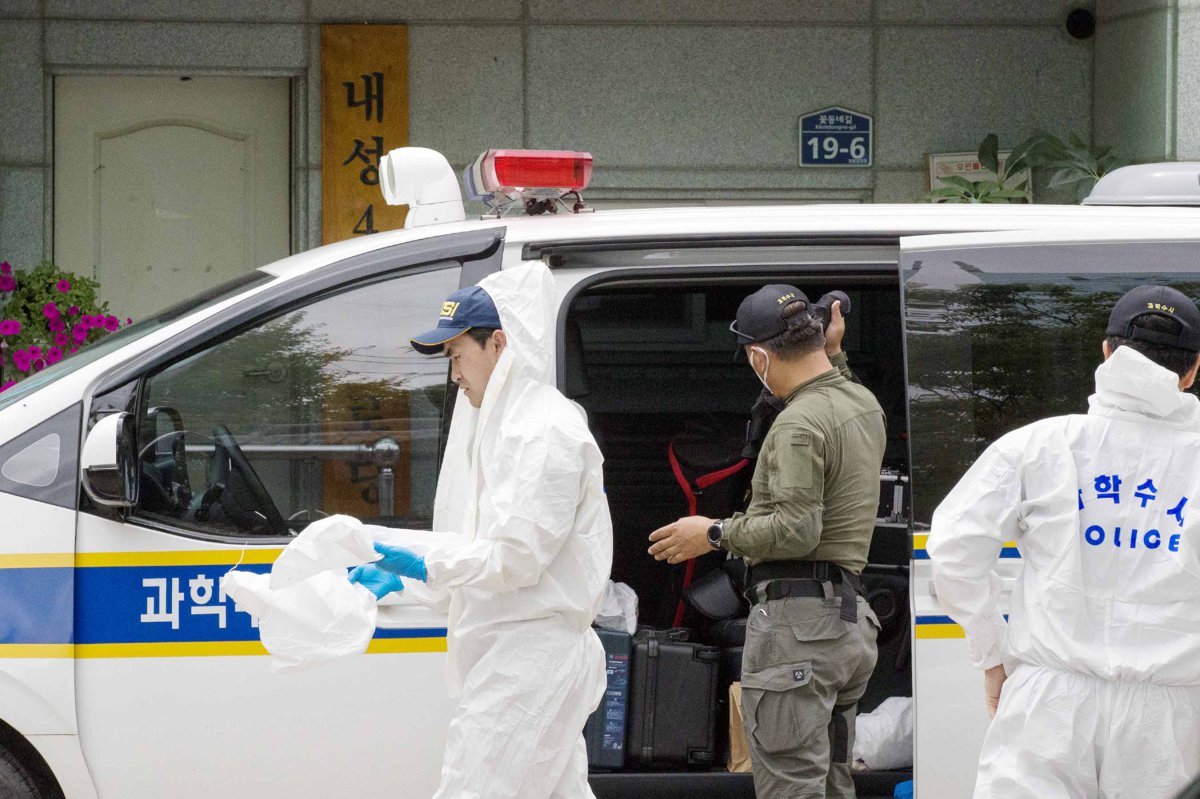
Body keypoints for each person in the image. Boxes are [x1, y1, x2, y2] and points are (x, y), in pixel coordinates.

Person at [349, 263, 613, 799]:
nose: (453, 376)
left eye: (456, 356)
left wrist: (426, 565)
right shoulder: (503, 428)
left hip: (529, 660)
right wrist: (412, 581)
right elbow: (480, 546)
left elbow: (515, 559)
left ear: (498, 343)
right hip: (519, 653)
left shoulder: (540, 433)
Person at [928, 285, 1200, 798]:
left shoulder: (1040, 444)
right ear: (1193, 369)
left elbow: (953, 551)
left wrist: (992, 655)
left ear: (1106, 352)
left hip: (1049, 704)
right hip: (1173, 722)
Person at [647, 285, 886, 798]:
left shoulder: (797, 424)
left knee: (790, 785)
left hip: (799, 632)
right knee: (830, 780)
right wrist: (835, 352)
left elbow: (797, 530)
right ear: (818, 338)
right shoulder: (860, 403)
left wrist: (712, 533)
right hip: (845, 625)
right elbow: (836, 383)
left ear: (758, 355)